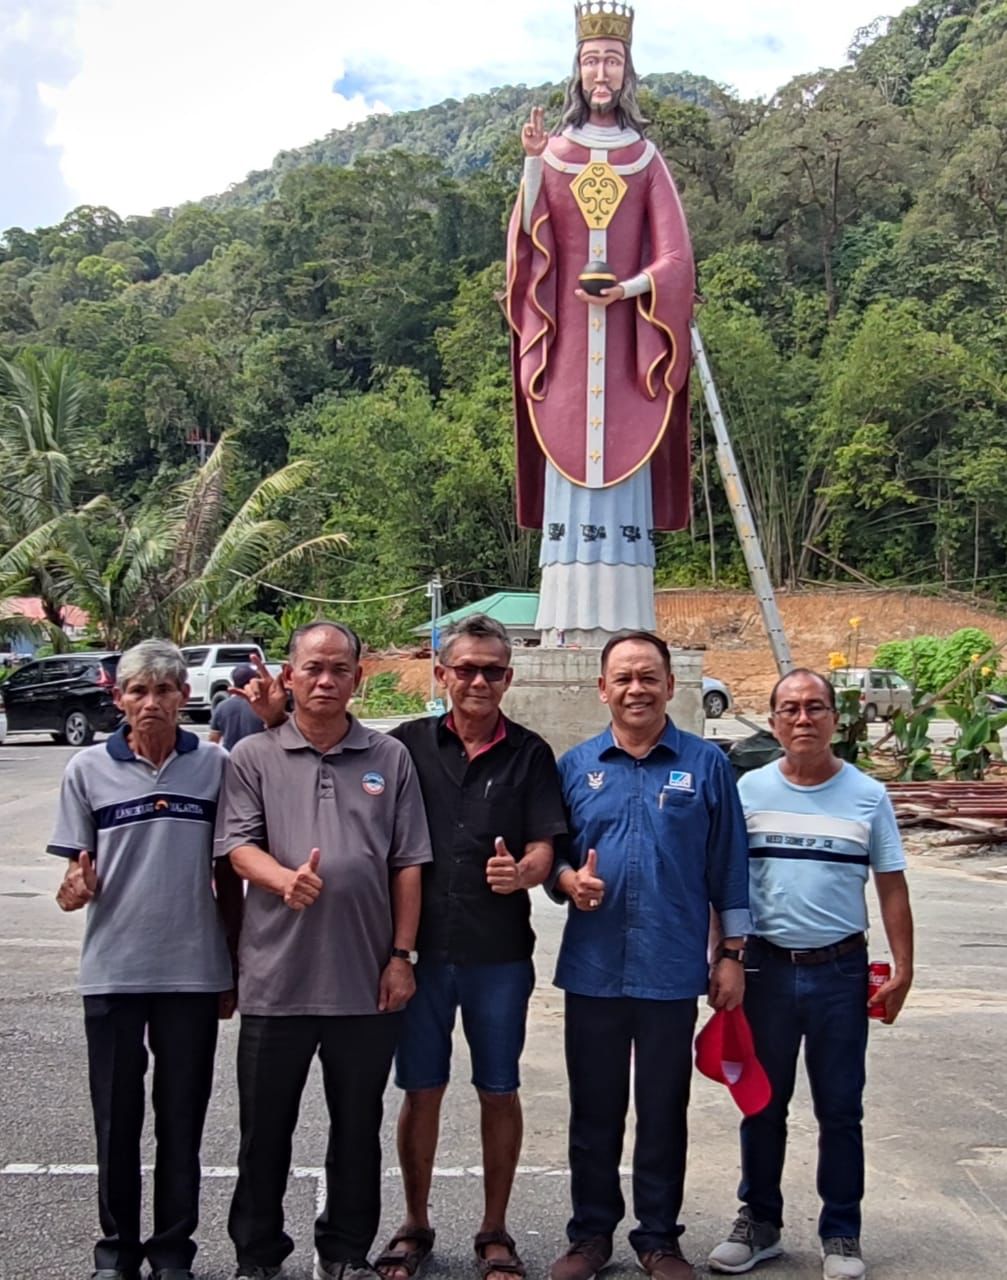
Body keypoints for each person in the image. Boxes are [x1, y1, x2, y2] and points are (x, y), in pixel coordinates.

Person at [214, 620, 432, 1280]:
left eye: (340, 669)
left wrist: (401, 957)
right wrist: (282, 879)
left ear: (358, 678)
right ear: (289, 675)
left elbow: (408, 863)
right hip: (274, 979)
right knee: (264, 1131)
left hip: (364, 980)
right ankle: (257, 1254)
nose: (326, 680)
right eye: (312, 668)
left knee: (357, 1129)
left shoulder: (389, 757)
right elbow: (237, 846)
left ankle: (344, 1250)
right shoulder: (252, 756)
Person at [549, 631, 752, 1280]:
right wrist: (567, 881)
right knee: (594, 1110)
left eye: (647, 677)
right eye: (623, 678)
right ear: (602, 689)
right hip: (593, 968)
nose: (635, 689)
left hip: (670, 968)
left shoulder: (706, 765)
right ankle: (590, 1236)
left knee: (663, 1110)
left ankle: (659, 1238)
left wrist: (730, 953)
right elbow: (551, 855)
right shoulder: (576, 766)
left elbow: (729, 864)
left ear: (669, 685)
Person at [370, 614, 567, 1280]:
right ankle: (414, 1224)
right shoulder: (403, 747)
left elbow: (544, 844)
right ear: (442, 674)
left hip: (498, 954)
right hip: (418, 954)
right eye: (466, 668)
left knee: (498, 1089)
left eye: (492, 670)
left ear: (508, 679)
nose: (478, 681)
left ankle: (494, 1231)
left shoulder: (530, 754)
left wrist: (524, 874)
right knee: (420, 1089)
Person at [708, 669, 914, 1280]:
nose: (803, 719)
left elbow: (891, 885)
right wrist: (723, 958)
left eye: (816, 707)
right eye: (791, 709)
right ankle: (760, 1223)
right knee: (761, 1102)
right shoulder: (748, 792)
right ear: (773, 721)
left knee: (841, 1108)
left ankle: (841, 1232)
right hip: (763, 970)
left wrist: (904, 968)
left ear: (834, 719)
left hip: (840, 972)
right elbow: (724, 881)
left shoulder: (868, 796)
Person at [50, 638, 242, 1280]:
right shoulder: (87, 770)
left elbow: (230, 874)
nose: (151, 702)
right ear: (119, 698)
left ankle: (172, 1252)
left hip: (193, 970)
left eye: (164, 690)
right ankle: (116, 1253)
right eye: (138, 691)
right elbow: (71, 882)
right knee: (116, 1120)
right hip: (113, 971)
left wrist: (232, 963)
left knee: (181, 1120)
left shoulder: (214, 767)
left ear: (184, 695)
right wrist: (72, 890)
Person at [505, 2, 695, 644]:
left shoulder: (645, 158)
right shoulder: (556, 153)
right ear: (578, 72)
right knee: (569, 470)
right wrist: (533, 163)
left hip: (627, 361)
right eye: (591, 60)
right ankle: (561, 628)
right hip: (566, 353)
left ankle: (630, 632)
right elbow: (528, 241)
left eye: (612, 60)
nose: (602, 72)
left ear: (627, 71)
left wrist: (630, 288)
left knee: (623, 471)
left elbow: (676, 258)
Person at [208, 662, 268, 751]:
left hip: (231, 756)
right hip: (257, 756)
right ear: (254, 681)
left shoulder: (221, 707)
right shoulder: (262, 707)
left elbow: (213, 740)